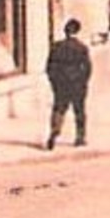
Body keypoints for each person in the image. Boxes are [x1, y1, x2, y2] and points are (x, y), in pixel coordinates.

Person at [45, 18, 92, 150]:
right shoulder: (82, 48)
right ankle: (80, 137)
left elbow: (50, 67)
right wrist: (83, 82)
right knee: (79, 111)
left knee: (59, 109)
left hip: (61, 84)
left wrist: (54, 83)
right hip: (77, 85)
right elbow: (87, 69)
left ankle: (54, 131)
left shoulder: (56, 47)